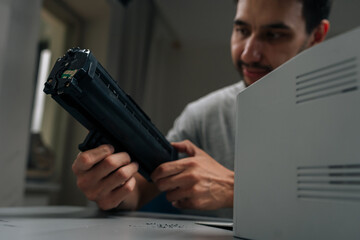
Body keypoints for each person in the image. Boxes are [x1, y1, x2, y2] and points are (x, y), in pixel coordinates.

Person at [72, 0, 331, 217]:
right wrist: (113, 186)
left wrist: (235, 189)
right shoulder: (203, 114)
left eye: (273, 35)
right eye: (242, 30)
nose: (249, 54)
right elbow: (143, 190)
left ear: (316, 36)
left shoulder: (348, 116)